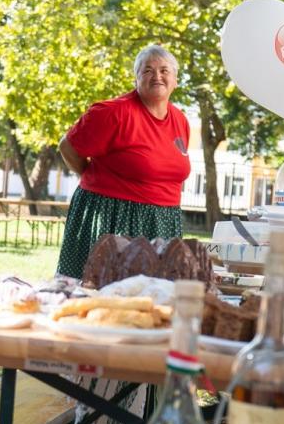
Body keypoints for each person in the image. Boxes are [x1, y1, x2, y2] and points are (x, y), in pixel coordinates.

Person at [56, 45, 192, 278]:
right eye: (147, 70)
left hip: (164, 221)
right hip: (114, 216)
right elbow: (67, 147)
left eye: (164, 70)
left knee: (153, 296)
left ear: (175, 80)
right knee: (100, 292)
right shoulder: (112, 113)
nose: (157, 76)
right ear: (136, 78)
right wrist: (93, 180)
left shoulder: (180, 120)